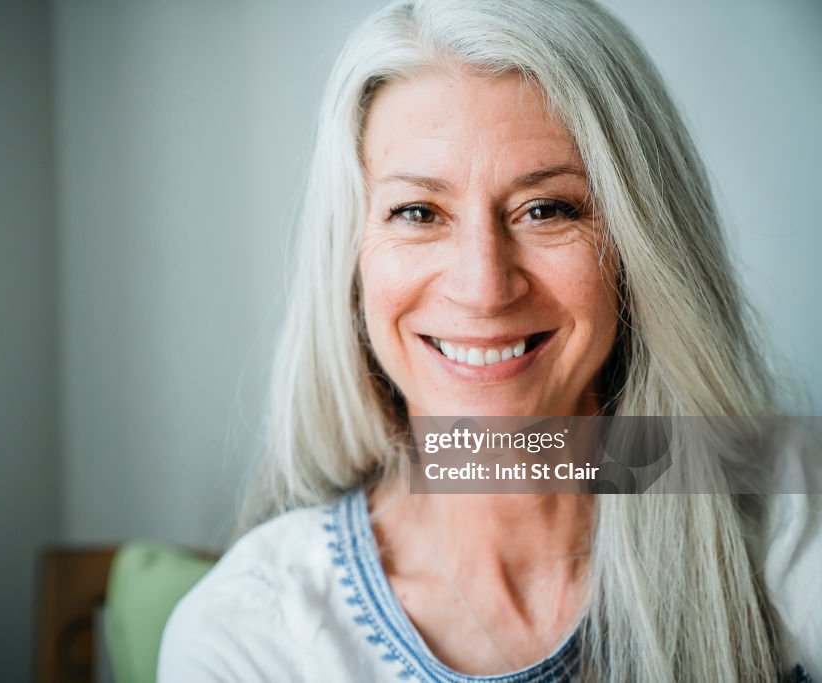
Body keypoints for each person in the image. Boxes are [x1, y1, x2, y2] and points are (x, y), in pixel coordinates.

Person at [158, 0, 820, 680]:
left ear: (639, 243)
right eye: (418, 212)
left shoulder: (791, 516)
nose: (483, 287)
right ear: (350, 264)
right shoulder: (251, 633)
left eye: (547, 209)